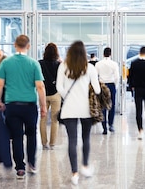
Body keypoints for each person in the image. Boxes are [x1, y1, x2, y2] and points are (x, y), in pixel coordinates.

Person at [0, 35, 47, 179]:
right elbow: (40, 87)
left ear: (14, 45)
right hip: (29, 106)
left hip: (12, 106)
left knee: (16, 136)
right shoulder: (34, 63)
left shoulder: (6, 63)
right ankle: (32, 163)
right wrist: (43, 106)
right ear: (28, 46)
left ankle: (20, 168)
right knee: (31, 134)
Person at [57, 41, 101, 185]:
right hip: (86, 109)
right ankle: (85, 165)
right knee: (86, 138)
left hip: (69, 108)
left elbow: (59, 87)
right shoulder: (89, 67)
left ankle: (74, 173)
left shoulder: (63, 66)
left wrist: (68, 98)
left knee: (72, 140)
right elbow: (97, 89)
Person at [39, 43, 61, 150]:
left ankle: (44, 143)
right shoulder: (58, 64)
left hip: (43, 93)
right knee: (54, 120)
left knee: (43, 118)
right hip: (55, 94)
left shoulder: (40, 63)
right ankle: (52, 144)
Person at [96, 47, 120, 134]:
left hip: (102, 85)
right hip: (111, 84)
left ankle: (104, 127)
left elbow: (96, 76)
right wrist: (115, 86)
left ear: (103, 54)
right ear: (110, 54)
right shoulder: (114, 64)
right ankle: (111, 125)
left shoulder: (98, 64)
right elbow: (117, 77)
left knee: (102, 106)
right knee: (111, 105)